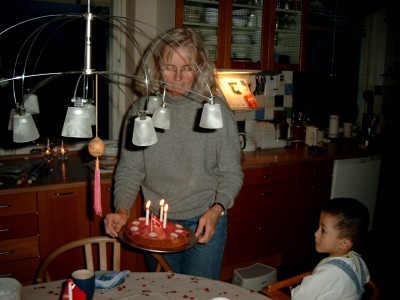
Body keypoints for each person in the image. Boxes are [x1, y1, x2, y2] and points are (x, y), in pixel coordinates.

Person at [103, 27, 244, 280]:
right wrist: (122, 209)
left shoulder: (216, 112)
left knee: (198, 294)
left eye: (187, 68)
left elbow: (231, 174)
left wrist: (216, 210)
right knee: (164, 293)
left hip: (204, 221)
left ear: (199, 68)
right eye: (170, 67)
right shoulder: (141, 112)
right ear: (157, 67)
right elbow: (130, 170)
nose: (177, 77)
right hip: (156, 224)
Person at [291, 198, 370, 300]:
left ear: (345, 243)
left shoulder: (326, 274)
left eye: (323, 230)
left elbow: (297, 297)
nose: (316, 234)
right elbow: (366, 279)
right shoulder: (359, 261)